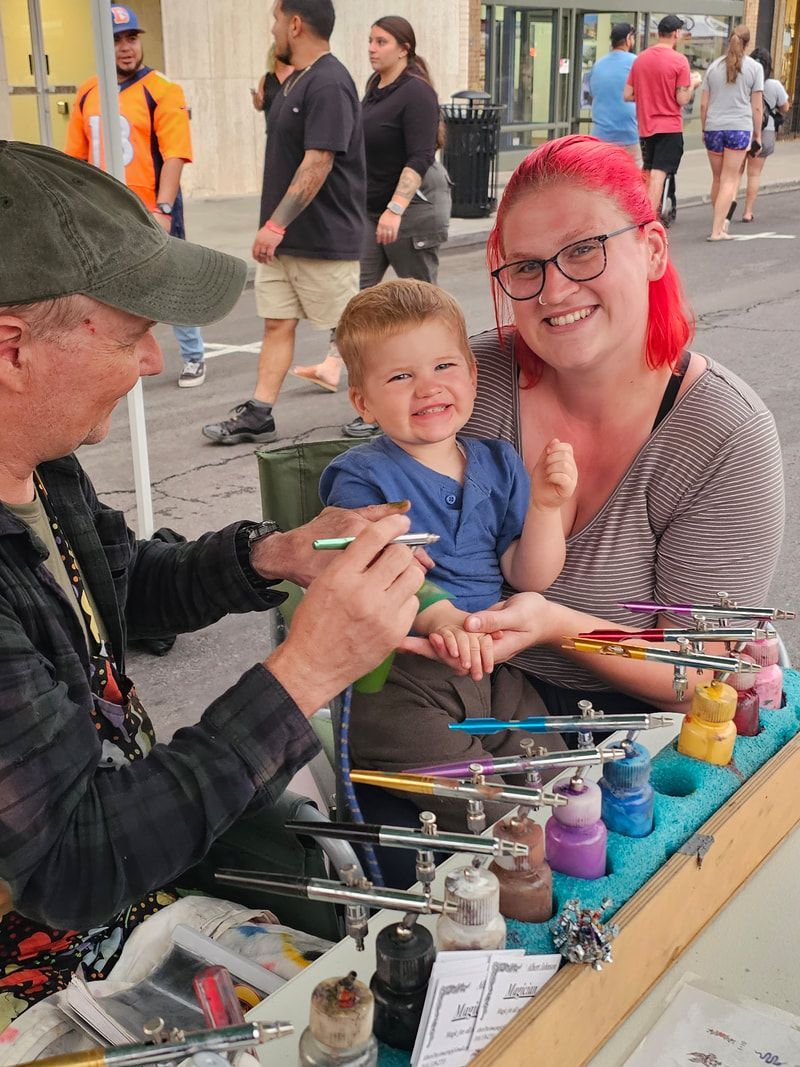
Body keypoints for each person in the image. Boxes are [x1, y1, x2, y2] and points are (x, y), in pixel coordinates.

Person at [0, 139, 426, 1021]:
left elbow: (123, 583)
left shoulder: (38, 463)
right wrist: (305, 672)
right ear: (12, 350)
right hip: (44, 957)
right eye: (130, 333)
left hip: (132, 871)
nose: (153, 360)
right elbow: (70, 860)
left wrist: (276, 553)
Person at [447, 134, 784, 720]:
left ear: (653, 250)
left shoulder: (725, 434)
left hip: (637, 739)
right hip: (464, 695)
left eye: (583, 250)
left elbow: (698, 669)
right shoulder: (469, 385)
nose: (555, 291)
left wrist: (555, 625)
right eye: (526, 266)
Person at [320, 279, 577, 827]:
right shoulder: (362, 478)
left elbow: (527, 574)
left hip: (493, 670)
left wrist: (547, 509)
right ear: (363, 402)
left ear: (472, 375)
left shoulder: (498, 462)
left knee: (561, 778)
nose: (427, 387)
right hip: (400, 677)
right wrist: (449, 620)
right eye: (400, 376)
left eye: (444, 367)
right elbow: (380, 569)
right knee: (489, 808)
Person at [202, 0, 365, 445]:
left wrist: (274, 225)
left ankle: (376, 408)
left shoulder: (330, 82)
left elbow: (319, 162)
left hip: (323, 236)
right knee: (276, 323)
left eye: (276, 20)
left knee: (351, 330)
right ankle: (259, 412)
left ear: (295, 24)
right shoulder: (296, 83)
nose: (272, 29)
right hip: (286, 239)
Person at [291, 15, 452, 437]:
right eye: (369, 40)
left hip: (411, 209)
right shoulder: (373, 90)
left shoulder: (417, 93)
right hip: (371, 210)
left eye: (381, 41)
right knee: (355, 300)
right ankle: (336, 369)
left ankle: (433, 395)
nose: (371, 48)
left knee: (422, 309)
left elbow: (420, 156)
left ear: (404, 48)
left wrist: (395, 209)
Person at [65, 4, 209, 389]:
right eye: (115, 40)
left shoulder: (162, 89)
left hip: (149, 207)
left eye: (131, 38)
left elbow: (176, 152)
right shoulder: (88, 91)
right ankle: (114, 358)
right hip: (103, 209)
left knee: (171, 281)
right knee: (108, 289)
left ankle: (194, 355)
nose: (126, 47)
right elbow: (75, 158)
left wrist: (164, 207)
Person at [624, 15, 702, 214]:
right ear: (676, 34)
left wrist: (648, 94)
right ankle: (648, 217)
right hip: (669, 127)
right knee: (659, 174)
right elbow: (682, 99)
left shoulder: (640, 59)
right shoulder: (679, 61)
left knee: (647, 171)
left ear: (659, 33)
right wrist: (693, 84)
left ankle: (637, 210)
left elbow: (628, 94)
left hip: (646, 126)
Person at [700, 25, 764, 241]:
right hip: (738, 127)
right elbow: (757, 107)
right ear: (747, 43)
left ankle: (718, 223)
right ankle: (717, 230)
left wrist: (703, 127)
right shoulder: (755, 68)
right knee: (730, 179)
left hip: (713, 127)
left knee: (717, 178)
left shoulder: (713, 67)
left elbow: (704, 104)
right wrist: (757, 135)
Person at [742, 48, 790, 223]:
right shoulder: (774, 85)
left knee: (732, 176)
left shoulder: (744, 82)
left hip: (742, 128)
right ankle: (747, 212)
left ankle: (726, 212)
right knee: (754, 174)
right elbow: (785, 107)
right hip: (765, 130)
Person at [588, 22, 640, 162]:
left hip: (601, 136)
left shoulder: (598, 64)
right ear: (628, 38)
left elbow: (593, 92)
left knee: (603, 179)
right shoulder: (635, 62)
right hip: (628, 134)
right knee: (632, 179)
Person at [251, 44, 295, 124]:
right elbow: (259, 106)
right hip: (273, 132)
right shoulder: (266, 79)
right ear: (274, 55)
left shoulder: (299, 75)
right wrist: (257, 102)